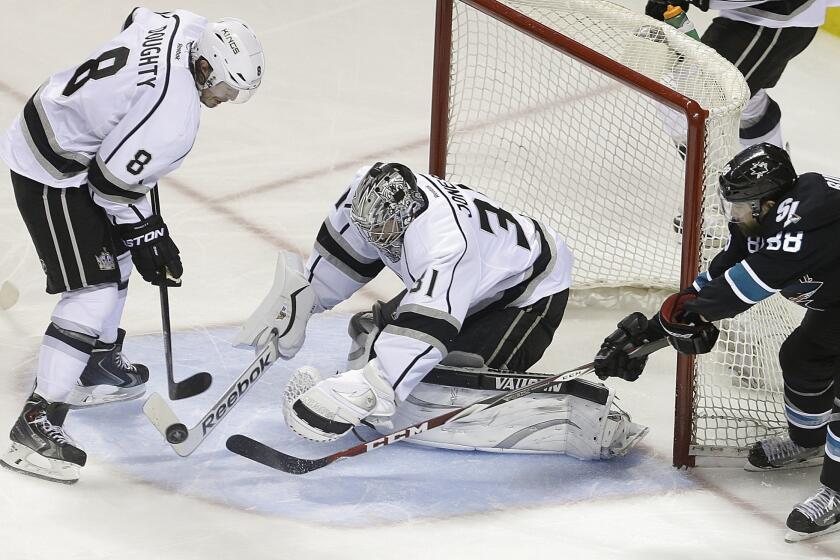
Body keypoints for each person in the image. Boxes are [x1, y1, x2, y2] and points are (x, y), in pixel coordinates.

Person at [0, 7, 264, 483]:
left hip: (65, 117)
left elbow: (136, 16)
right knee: (94, 287)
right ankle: (35, 425)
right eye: (224, 87)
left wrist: (141, 231)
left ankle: (95, 363)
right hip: (53, 164)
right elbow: (109, 186)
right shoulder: (173, 121)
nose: (225, 98)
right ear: (204, 66)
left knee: (117, 256)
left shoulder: (187, 25)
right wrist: (150, 235)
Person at [236, 163, 648, 460]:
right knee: (372, 333)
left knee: (452, 370)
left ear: (406, 216)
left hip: (530, 289)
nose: (374, 239)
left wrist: (372, 388)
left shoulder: (444, 242)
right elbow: (346, 252)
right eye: (369, 229)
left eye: (382, 232)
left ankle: (569, 421)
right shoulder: (368, 191)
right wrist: (304, 302)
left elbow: (427, 329)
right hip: (480, 274)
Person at [594, 142, 840, 542]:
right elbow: (721, 274)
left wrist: (673, 324)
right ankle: (807, 442)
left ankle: (837, 490)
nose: (734, 215)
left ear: (770, 202)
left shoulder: (805, 225)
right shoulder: (764, 217)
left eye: (741, 206)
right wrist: (659, 325)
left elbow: (736, 293)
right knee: (803, 355)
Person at [644, 0, 840, 149]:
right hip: (752, 17)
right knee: (744, 105)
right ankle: (768, 194)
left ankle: (721, 195)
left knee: (690, 105)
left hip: (774, 20)